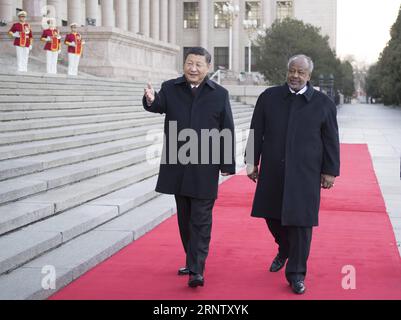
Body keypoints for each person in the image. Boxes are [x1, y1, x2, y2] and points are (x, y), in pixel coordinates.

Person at [245, 54, 340, 294]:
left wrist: (330, 171)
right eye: (292, 71)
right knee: (271, 215)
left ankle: (296, 274)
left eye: (301, 73)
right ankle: (284, 248)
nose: (295, 76)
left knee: (301, 224)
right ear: (287, 71)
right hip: (274, 171)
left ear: (309, 76)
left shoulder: (323, 103)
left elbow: (331, 140)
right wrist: (251, 162)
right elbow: (256, 130)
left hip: (305, 174)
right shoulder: (269, 97)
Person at [143, 47, 236, 288]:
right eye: (189, 63)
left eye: (198, 65)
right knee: (184, 219)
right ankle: (191, 259)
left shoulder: (219, 93)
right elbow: (157, 104)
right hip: (178, 164)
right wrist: (150, 99)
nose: (193, 68)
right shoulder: (171, 88)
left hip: (205, 166)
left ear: (208, 68)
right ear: (184, 64)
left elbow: (227, 128)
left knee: (201, 219)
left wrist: (227, 163)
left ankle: (197, 269)